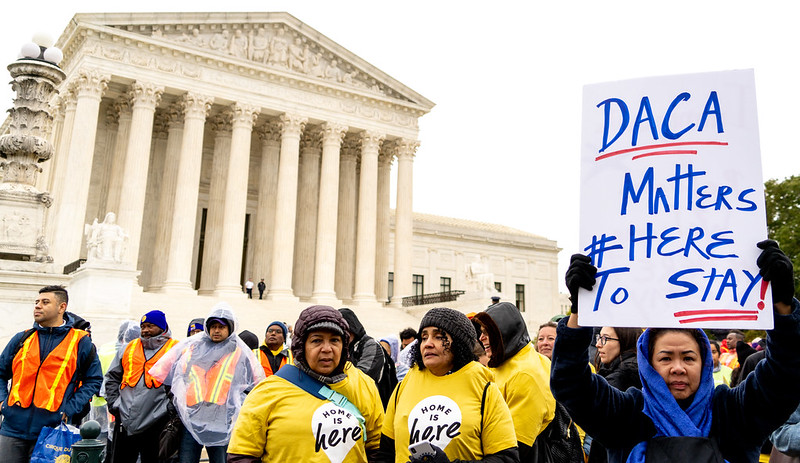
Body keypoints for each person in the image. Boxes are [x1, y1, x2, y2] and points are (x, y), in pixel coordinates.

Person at [551, 241, 800, 463]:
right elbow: (570, 383)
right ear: (648, 364)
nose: (678, 367)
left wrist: (782, 305)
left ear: (703, 363)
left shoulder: (734, 412)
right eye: (666, 358)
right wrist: (578, 311)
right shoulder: (627, 415)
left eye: (688, 357)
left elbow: (785, 375)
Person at [227, 305, 384, 462]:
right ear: (301, 346)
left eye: (335, 340)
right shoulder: (267, 391)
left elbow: (378, 448)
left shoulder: (364, 385)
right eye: (317, 341)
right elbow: (242, 454)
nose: (327, 349)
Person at [377, 307, 519, 463]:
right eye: (424, 337)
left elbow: (507, 458)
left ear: (459, 344)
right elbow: (386, 453)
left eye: (438, 337)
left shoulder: (484, 387)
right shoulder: (404, 386)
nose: (428, 344)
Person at [149, 302, 264, 463]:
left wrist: (237, 408)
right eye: (213, 326)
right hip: (192, 415)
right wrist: (177, 403)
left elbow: (255, 384)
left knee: (221, 461)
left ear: (229, 329)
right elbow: (175, 376)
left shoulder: (240, 352)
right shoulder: (194, 347)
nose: (216, 330)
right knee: (187, 460)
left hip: (222, 418)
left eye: (221, 327)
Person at [0, 285, 103, 462]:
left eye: (45, 302)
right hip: (11, 429)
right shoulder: (22, 338)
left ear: (62, 307)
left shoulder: (80, 342)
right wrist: (2, 402)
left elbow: (93, 380)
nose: (38, 306)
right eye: (37, 302)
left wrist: (68, 409)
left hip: (53, 432)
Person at [473, 302, 555, 461]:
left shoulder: (525, 374)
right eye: (481, 332)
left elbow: (515, 445)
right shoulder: (507, 360)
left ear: (505, 332)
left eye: (487, 332)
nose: (481, 338)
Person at [104, 310, 178, 463]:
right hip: (125, 419)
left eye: (150, 326)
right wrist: (114, 404)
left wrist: (169, 410)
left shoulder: (175, 349)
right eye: (143, 326)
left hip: (157, 422)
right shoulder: (128, 348)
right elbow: (112, 377)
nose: (145, 330)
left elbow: (181, 383)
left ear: (162, 327)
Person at [339, 308, 397, 408]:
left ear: (352, 328)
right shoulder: (346, 347)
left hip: (376, 406)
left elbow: (362, 378)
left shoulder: (371, 345)